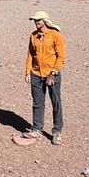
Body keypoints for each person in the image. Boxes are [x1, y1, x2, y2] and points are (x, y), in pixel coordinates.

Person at [23, 10, 65, 144]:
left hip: (51, 74)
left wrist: (53, 73)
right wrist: (27, 71)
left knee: (56, 102)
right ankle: (37, 128)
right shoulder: (33, 36)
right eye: (35, 21)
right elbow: (30, 54)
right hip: (36, 74)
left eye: (38, 20)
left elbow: (61, 56)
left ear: (45, 21)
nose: (36, 23)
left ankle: (57, 131)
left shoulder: (55, 35)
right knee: (37, 103)